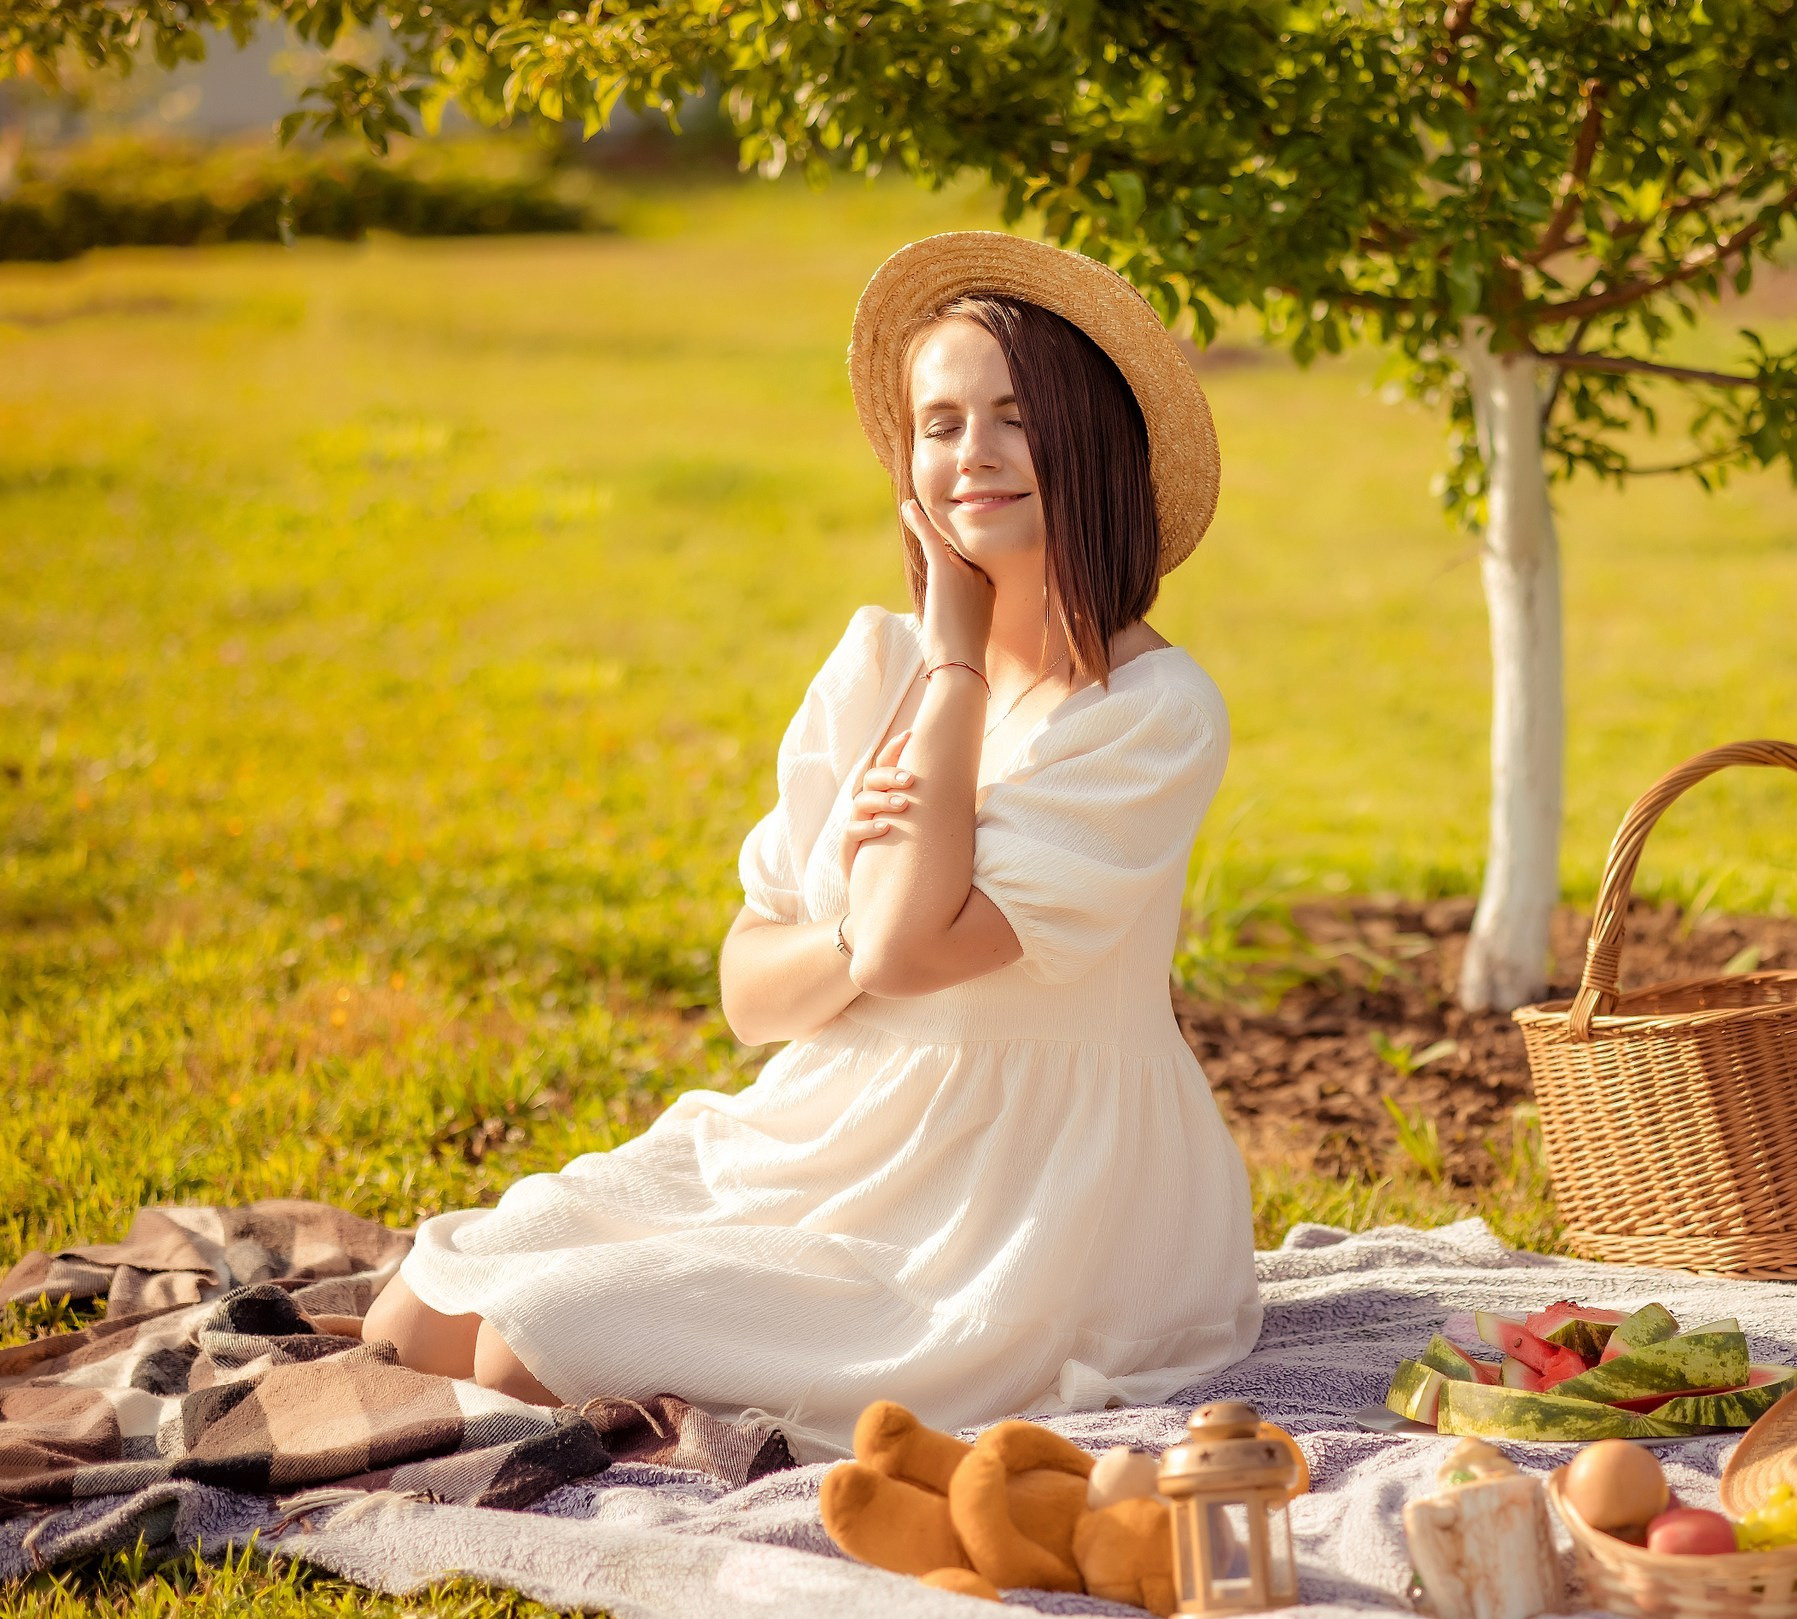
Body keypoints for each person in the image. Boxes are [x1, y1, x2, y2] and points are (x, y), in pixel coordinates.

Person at [360, 233, 1261, 1453]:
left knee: (530, 1351)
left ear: (1092, 441)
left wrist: (954, 668)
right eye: (938, 424)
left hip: (1025, 1194)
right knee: (412, 1325)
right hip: (832, 1121)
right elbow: (755, 989)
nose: (972, 455)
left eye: (1013, 417)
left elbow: (906, 955)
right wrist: (861, 924)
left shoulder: (1148, 715)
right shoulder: (869, 665)